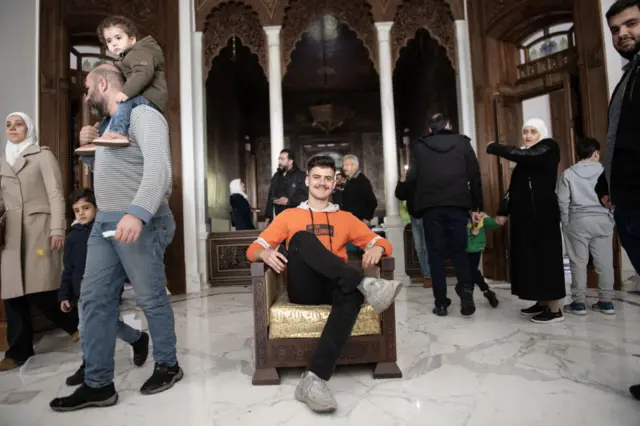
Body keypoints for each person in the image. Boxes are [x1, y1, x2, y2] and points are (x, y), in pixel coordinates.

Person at [49, 64, 181, 412]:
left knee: (150, 298)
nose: (87, 94)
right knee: (92, 301)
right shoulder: (110, 126)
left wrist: (137, 213)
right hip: (103, 224)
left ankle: (168, 364)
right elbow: (113, 172)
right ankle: (98, 384)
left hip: (138, 220)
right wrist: (90, 152)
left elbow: (160, 171)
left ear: (103, 83)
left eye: (89, 88)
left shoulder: (143, 115)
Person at [246, 155, 402, 413]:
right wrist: (264, 254)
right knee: (301, 238)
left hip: (335, 284)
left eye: (328, 178)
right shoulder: (288, 216)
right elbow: (253, 249)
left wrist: (376, 247)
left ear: (334, 183)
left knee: (352, 295)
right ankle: (367, 285)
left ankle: (313, 379)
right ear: (307, 180)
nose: (322, 182)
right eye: (316, 177)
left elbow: (383, 242)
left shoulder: (346, 218)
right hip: (303, 287)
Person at [0, 112, 79, 371]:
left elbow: (56, 194)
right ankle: (18, 351)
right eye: (9, 125)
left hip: (38, 228)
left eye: (18, 124)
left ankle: (74, 324)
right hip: (10, 234)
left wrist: (58, 228)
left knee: (43, 288)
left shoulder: (42, 155)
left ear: (29, 128)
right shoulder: (2, 161)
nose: (13, 128)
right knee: (13, 293)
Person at [59, 188, 149, 386]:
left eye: (86, 208)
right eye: (76, 210)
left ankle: (89, 365)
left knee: (89, 326)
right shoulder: (72, 237)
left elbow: (122, 260)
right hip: (82, 291)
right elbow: (68, 268)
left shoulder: (104, 232)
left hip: (106, 286)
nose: (81, 213)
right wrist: (64, 294)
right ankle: (137, 339)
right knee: (102, 324)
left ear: (97, 209)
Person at [487, 118, 566, 324]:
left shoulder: (549, 147)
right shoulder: (526, 160)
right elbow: (514, 188)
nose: (528, 135)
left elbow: (526, 154)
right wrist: (503, 210)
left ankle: (555, 309)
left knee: (546, 260)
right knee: (532, 259)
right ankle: (542, 302)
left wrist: (495, 148)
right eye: (525, 131)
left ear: (541, 132)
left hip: (543, 216)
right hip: (526, 217)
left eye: (533, 131)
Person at [405, 113, 483, 317]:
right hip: (458, 205)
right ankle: (466, 293)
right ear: (449, 125)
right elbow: (475, 176)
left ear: (430, 129)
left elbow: (411, 178)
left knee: (435, 255)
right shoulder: (462, 143)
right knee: (460, 252)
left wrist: (414, 205)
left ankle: (441, 303)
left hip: (431, 208)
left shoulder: (421, 146)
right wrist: (477, 207)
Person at [602, 0, 640, 400]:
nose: (622, 34)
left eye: (631, 24)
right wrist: (606, 183)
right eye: (615, 29)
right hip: (627, 203)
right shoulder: (629, 76)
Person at [558, 138, 616, 316]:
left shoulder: (568, 173)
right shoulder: (606, 172)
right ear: (596, 153)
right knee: (605, 263)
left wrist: (566, 222)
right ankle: (606, 302)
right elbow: (614, 197)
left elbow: (562, 201)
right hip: (602, 220)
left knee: (578, 263)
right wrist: (611, 217)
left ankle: (579, 303)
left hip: (578, 220)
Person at [91, 15, 167, 147]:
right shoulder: (127, 57)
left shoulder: (138, 52)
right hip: (143, 95)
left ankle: (118, 133)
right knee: (112, 113)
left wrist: (126, 92)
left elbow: (143, 73)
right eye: (109, 41)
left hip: (151, 96)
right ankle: (101, 136)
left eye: (118, 38)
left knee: (123, 101)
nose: (114, 43)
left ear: (132, 40)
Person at [396, 166, 432, 288]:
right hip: (414, 217)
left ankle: (430, 276)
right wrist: (402, 179)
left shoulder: (427, 179)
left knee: (428, 248)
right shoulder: (410, 181)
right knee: (419, 248)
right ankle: (426, 273)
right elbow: (400, 195)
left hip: (427, 217)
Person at [463, 214, 502, 307]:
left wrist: (497, 221)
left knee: (471, 271)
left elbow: (490, 223)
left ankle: (470, 298)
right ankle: (486, 291)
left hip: (475, 247)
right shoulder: (459, 213)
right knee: (468, 272)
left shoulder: (479, 215)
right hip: (461, 246)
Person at [264, 149, 307, 224]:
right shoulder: (276, 176)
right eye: (279, 159)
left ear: (290, 161)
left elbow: (306, 196)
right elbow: (271, 196)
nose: (279, 162)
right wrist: (268, 216)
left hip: (297, 218)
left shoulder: (301, 176)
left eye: (282, 159)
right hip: (280, 218)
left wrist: (289, 201)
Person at [341, 154, 378, 224]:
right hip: (350, 221)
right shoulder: (350, 180)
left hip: (359, 222)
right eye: (344, 165)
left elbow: (373, 202)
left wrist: (367, 219)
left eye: (346, 165)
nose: (344, 168)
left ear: (354, 166)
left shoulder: (362, 181)